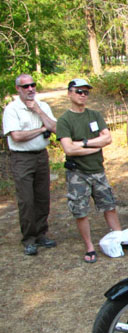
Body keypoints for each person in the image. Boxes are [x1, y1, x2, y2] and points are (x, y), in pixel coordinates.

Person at [56, 79, 122, 263]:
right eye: (79, 91)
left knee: (109, 205)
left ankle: (119, 239)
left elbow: (107, 138)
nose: (83, 95)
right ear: (69, 93)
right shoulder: (64, 120)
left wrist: (84, 143)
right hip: (77, 173)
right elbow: (68, 149)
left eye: (86, 92)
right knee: (81, 211)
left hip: (98, 170)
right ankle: (90, 247)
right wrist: (95, 144)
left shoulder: (95, 115)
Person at [2, 74, 57, 255]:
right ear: (18, 89)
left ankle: (41, 234)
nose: (30, 89)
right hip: (22, 159)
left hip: (41, 156)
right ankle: (29, 239)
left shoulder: (43, 106)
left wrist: (39, 112)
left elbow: (55, 128)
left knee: (43, 198)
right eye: (25, 86)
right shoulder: (12, 109)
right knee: (26, 200)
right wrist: (42, 129)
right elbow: (16, 136)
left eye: (32, 85)